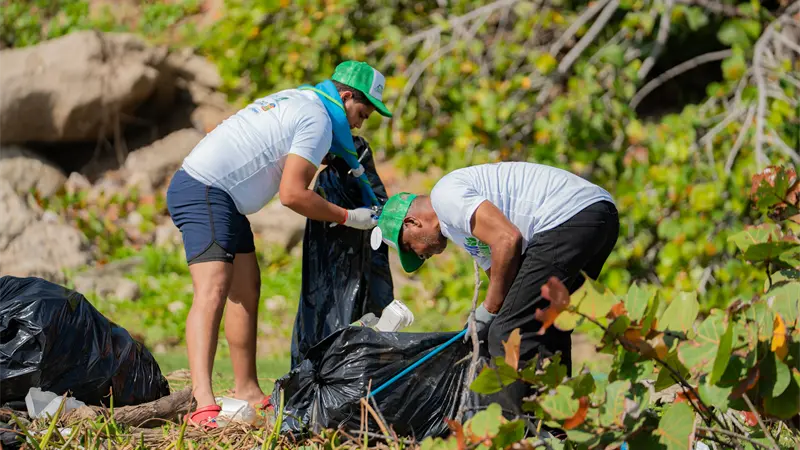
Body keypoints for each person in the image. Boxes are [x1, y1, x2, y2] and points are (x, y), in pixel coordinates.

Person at [166, 60, 391, 428]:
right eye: (362, 113)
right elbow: (291, 194)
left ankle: (248, 391)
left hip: (225, 199)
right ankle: (202, 402)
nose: (360, 124)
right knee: (213, 288)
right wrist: (349, 217)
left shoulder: (305, 99)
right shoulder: (317, 119)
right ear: (347, 97)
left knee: (247, 287)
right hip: (204, 188)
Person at [373, 161, 619, 414]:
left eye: (411, 247)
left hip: (569, 217)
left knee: (508, 331)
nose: (422, 256)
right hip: (597, 216)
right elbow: (505, 278)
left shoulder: (445, 196)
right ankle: (556, 423)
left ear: (412, 223)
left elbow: (507, 239)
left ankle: (518, 428)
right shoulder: (458, 229)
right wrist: (485, 317)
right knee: (544, 324)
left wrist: (489, 313)